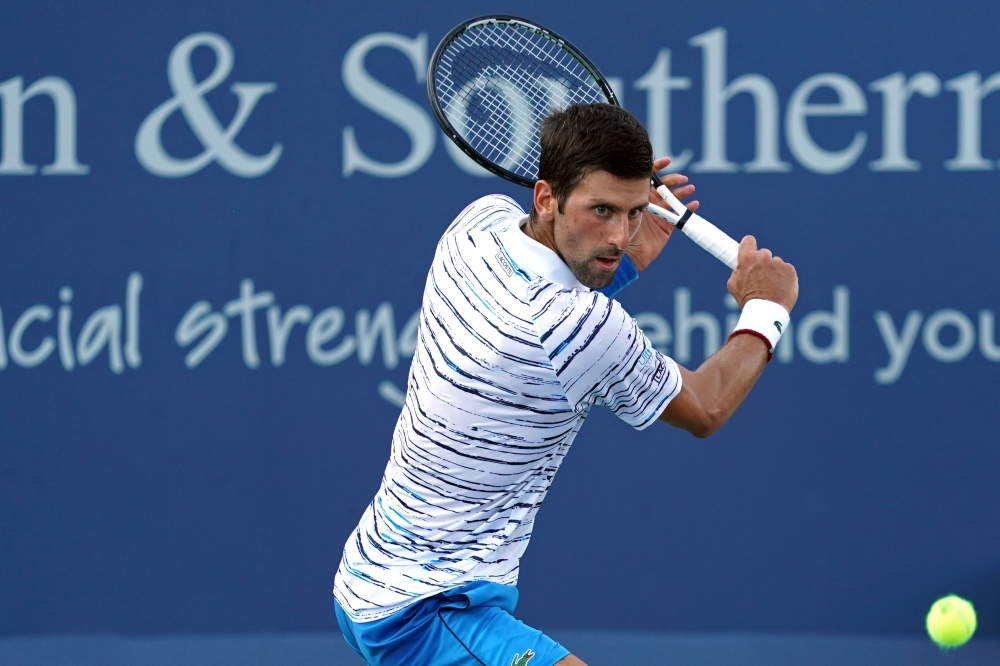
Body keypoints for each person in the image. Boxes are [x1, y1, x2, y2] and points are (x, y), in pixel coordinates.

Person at [333, 103, 798, 666]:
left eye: (631, 213)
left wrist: (617, 263)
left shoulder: (476, 226)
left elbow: (549, 322)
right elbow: (705, 407)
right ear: (546, 197)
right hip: (427, 611)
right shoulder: (582, 327)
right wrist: (766, 308)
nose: (620, 234)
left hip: (370, 574)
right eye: (601, 210)